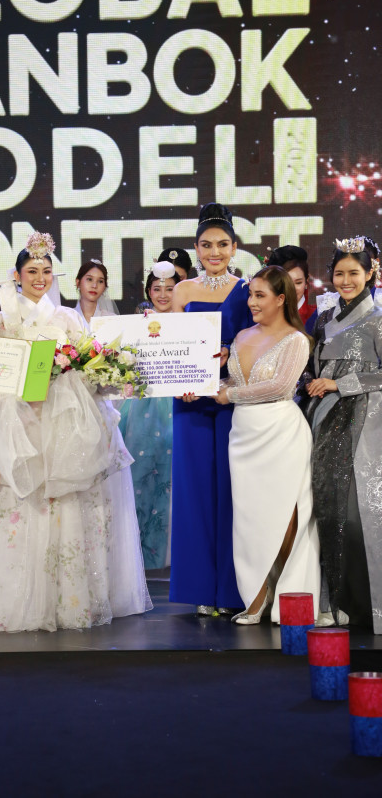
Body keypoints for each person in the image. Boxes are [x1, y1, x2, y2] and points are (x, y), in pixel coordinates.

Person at [0, 232, 151, 632]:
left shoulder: (67, 317)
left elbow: (87, 366)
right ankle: (13, 598)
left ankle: (65, 601)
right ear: (17, 275)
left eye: (46, 271)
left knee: (65, 504)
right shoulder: (0, 319)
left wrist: (96, 374)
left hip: (61, 420)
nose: (40, 278)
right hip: (14, 417)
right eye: (32, 271)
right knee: (9, 502)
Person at [214, 266, 320, 624]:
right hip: (243, 436)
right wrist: (206, 384)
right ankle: (256, 599)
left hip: (281, 435)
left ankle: (290, 599)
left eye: (260, 295)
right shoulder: (242, 336)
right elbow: (235, 382)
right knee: (249, 520)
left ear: (280, 299)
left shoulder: (296, 340)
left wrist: (229, 395)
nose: (252, 302)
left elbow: (279, 387)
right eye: (251, 295)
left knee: (285, 518)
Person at [169, 203, 253, 615]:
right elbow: (172, 346)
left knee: (233, 492)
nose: (214, 252)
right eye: (206, 245)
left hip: (232, 399)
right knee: (195, 493)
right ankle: (202, 590)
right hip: (190, 403)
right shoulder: (182, 291)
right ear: (196, 248)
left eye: (222, 244)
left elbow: (259, 342)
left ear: (234, 247)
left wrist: (230, 356)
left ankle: (234, 591)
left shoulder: (248, 289)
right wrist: (178, 381)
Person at [302, 237, 382, 633]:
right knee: (327, 508)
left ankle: (361, 604)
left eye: (354, 272)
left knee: (357, 511)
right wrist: (311, 381)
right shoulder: (323, 319)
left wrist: (341, 384)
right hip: (323, 420)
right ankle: (332, 599)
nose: (346, 280)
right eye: (339, 273)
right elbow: (311, 366)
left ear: (370, 273)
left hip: (364, 423)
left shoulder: (378, 319)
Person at [119, 260, 180, 569]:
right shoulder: (137, 325)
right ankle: (139, 554)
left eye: (170, 289)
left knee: (172, 475)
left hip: (177, 402)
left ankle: (171, 553)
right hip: (143, 404)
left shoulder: (188, 323)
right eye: (157, 289)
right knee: (140, 471)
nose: (163, 295)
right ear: (148, 292)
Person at [266, 246, 315, 326]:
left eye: (298, 283)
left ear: (306, 281)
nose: (292, 288)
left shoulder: (318, 315)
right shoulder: (262, 317)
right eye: (286, 283)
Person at [74, 259, 117, 330]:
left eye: (100, 281)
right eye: (89, 279)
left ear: (105, 287)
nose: (94, 286)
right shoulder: (65, 317)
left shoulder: (112, 319)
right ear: (78, 282)